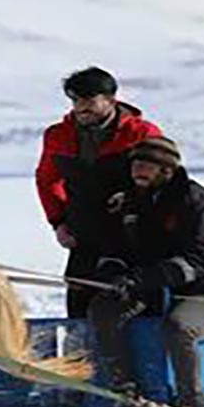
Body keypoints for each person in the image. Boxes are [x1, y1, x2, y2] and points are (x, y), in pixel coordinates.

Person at [87, 137, 204, 407]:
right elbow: (114, 250)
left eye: (146, 165)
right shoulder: (129, 204)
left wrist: (141, 278)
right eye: (135, 164)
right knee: (103, 310)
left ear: (167, 170)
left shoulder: (201, 205)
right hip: (150, 289)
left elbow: (197, 262)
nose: (137, 170)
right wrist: (112, 274)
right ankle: (127, 395)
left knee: (180, 326)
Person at [35, 66, 162, 318]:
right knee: (80, 308)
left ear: (111, 99)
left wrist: (132, 198)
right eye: (75, 100)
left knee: (134, 307)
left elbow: (164, 179)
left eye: (89, 100)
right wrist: (59, 222)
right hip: (84, 236)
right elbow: (47, 180)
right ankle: (83, 358)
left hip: (132, 236)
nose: (81, 107)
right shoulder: (57, 135)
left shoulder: (142, 133)